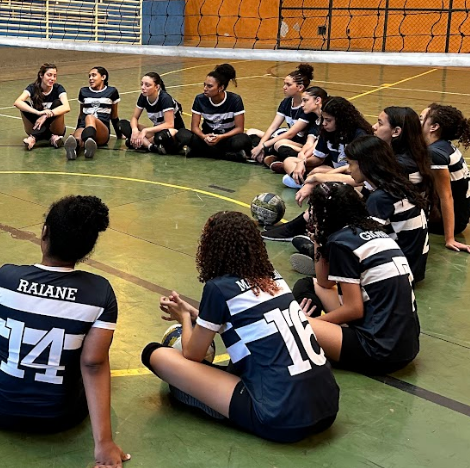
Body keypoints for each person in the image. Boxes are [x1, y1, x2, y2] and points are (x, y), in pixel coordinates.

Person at [0, 196, 129, 468]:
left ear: (44, 232)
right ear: (87, 249)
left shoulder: (4, 277)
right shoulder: (100, 293)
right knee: (88, 352)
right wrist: (105, 443)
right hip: (60, 417)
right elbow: (94, 365)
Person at [142, 211, 338, 443]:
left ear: (210, 249)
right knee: (246, 357)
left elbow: (192, 354)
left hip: (281, 419)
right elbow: (243, 323)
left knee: (155, 355)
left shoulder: (218, 288)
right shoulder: (273, 277)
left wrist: (184, 317)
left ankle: (213, 402)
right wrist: (198, 315)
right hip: (327, 408)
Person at [293, 183, 420, 375]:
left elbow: (354, 310)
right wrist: (318, 240)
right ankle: (324, 334)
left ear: (323, 214)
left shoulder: (342, 243)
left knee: (294, 326)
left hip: (379, 351)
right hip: (406, 345)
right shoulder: (374, 232)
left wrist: (315, 321)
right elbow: (324, 283)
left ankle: (314, 333)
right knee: (308, 284)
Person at [292, 135, 429, 282]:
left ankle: (326, 265)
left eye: (350, 164)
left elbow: (367, 241)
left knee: (307, 283)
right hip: (413, 265)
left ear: (364, 164)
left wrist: (325, 239)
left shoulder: (380, 198)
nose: (348, 169)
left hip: (397, 271)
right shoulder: (395, 185)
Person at [292, 96, 372, 205]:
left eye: (328, 120)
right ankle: (305, 181)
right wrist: (303, 162)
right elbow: (318, 158)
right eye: (323, 119)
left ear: (341, 120)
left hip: (353, 176)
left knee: (318, 175)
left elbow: (357, 173)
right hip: (334, 170)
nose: (324, 123)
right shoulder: (327, 131)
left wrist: (318, 178)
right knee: (290, 161)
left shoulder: (360, 136)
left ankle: (306, 182)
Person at [421, 103, 470, 252]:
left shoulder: (435, 154)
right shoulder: (443, 146)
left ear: (434, 127)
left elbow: (446, 196)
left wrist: (450, 238)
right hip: (460, 215)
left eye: (421, 118)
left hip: (445, 223)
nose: (417, 121)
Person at [174, 63, 250, 160]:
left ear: (221, 88)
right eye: (204, 85)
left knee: (242, 140)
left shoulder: (235, 100)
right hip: (207, 138)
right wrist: (204, 137)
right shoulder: (200, 99)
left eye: (209, 86)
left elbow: (239, 128)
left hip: (226, 138)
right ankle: (228, 155)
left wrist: (220, 137)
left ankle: (203, 152)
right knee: (182, 134)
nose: (205, 89)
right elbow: (194, 127)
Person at [250, 64, 315, 167]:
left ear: (300, 87)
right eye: (284, 84)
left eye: (288, 85)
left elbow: (290, 134)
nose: (284, 87)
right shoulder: (286, 102)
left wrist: (263, 145)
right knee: (251, 132)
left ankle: (277, 158)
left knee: (279, 144)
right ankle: (270, 157)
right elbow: (273, 127)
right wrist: (260, 145)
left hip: (300, 144)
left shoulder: (306, 107)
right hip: (286, 138)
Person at [372, 106, 433, 192]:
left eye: (380, 123)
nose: (374, 127)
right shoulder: (416, 153)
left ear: (396, 131)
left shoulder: (400, 164)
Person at [274, 85, 329, 182]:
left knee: (290, 163)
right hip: (313, 154)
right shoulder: (315, 118)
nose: (302, 104)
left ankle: (301, 178)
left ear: (318, 100)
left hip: (323, 158)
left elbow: (316, 147)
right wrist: (302, 154)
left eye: (305, 100)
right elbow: (309, 143)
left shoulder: (327, 122)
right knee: (284, 153)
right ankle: (300, 176)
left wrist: (303, 159)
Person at [65, 67, 121, 160]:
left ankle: (88, 140)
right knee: (77, 136)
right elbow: (81, 115)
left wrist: (119, 134)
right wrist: (76, 130)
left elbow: (114, 115)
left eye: (94, 75)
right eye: (89, 76)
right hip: (84, 126)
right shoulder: (83, 91)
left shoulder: (112, 91)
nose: (90, 78)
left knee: (89, 117)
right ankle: (75, 149)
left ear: (103, 77)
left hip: (102, 130)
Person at [121, 71, 183, 155]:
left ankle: (141, 143)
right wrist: (135, 130)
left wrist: (145, 131)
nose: (143, 87)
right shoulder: (143, 96)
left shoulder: (165, 98)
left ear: (157, 87)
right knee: (123, 124)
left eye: (147, 85)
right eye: (142, 84)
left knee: (161, 136)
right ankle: (150, 146)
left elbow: (169, 124)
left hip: (172, 132)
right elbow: (134, 117)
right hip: (156, 131)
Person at [14, 64, 72, 151]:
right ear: (41, 75)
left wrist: (45, 115)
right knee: (24, 104)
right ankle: (52, 138)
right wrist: (38, 113)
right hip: (36, 125)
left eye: (54, 76)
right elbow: (17, 102)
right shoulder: (32, 88)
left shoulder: (58, 88)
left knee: (58, 103)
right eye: (49, 75)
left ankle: (33, 138)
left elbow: (67, 107)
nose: (52, 78)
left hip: (55, 128)